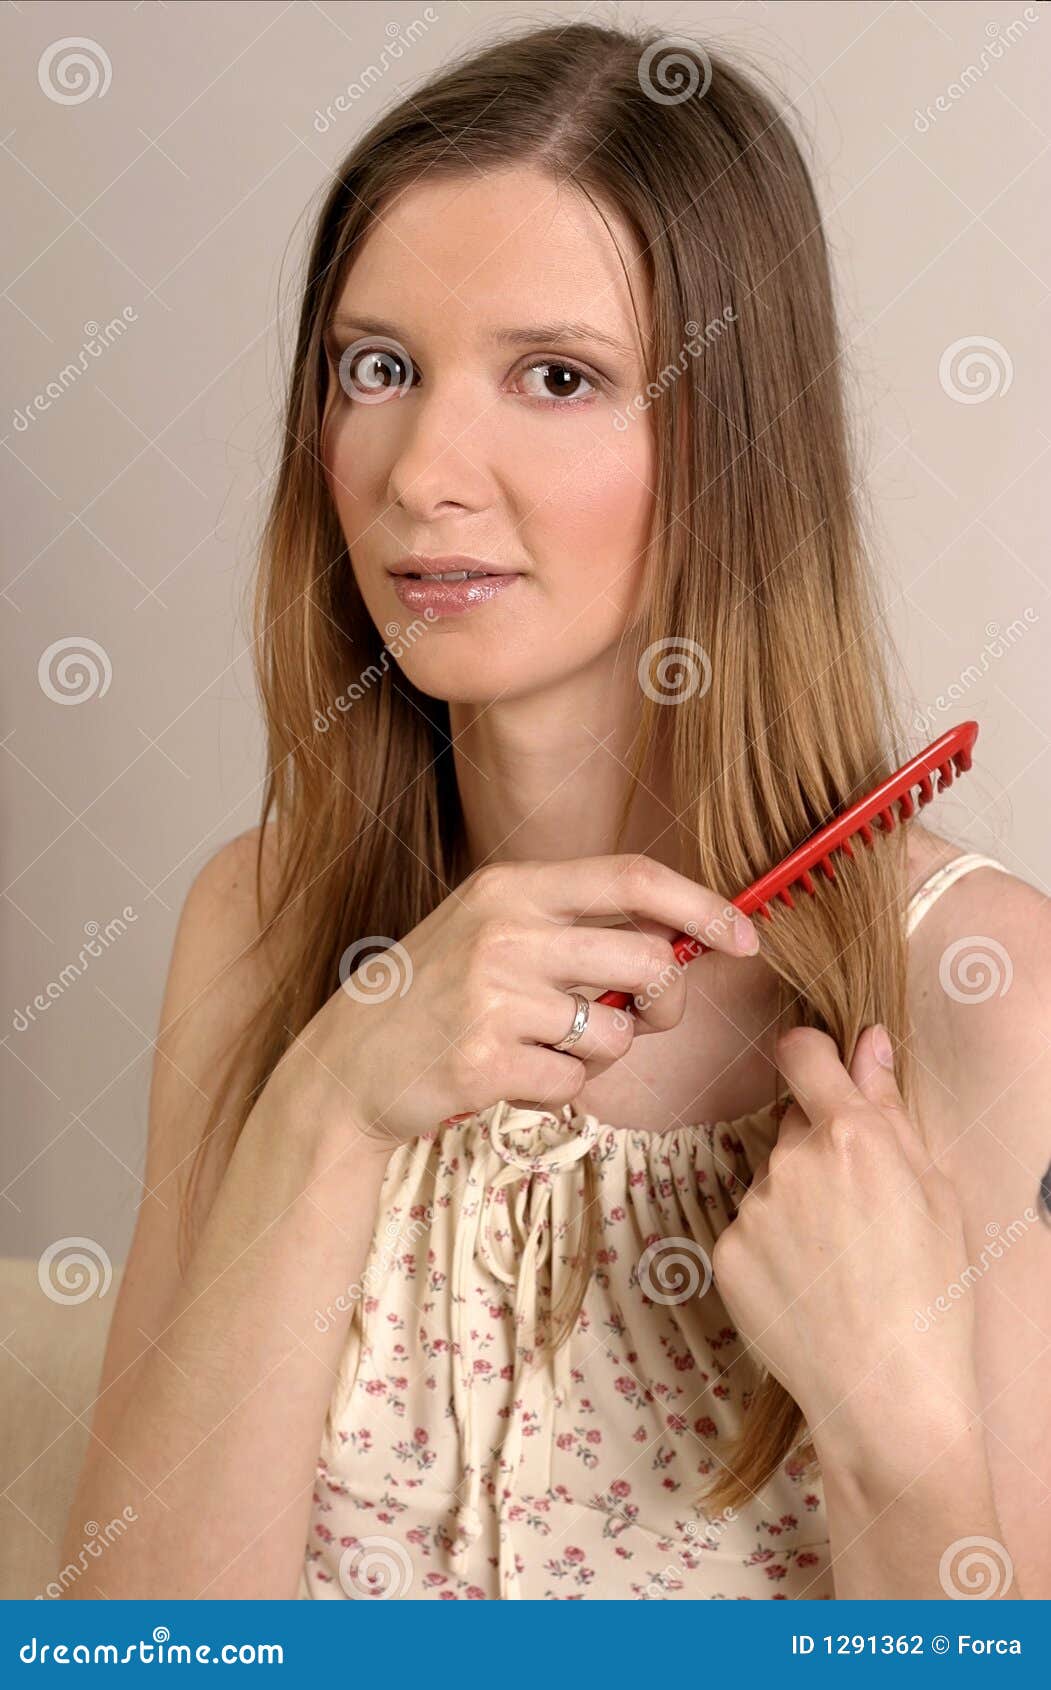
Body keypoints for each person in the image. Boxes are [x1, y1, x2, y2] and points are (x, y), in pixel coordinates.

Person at [59, 20, 1050, 1600]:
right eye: (377, 368)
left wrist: (900, 1438)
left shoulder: (981, 994)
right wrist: (327, 1108)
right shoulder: (254, 929)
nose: (422, 470)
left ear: (737, 445)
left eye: (559, 376)